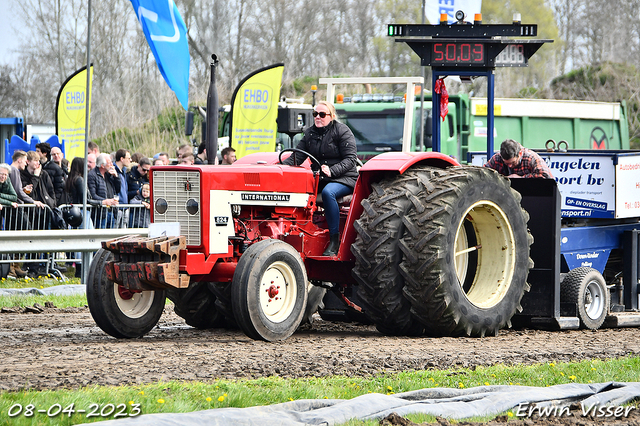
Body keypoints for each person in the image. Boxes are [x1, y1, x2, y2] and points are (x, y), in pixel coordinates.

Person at [283, 100, 358, 256]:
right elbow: (297, 156)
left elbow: (351, 159)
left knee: (328, 193)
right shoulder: (310, 133)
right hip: (321, 178)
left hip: (344, 178)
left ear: (331, 116)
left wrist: (332, 170)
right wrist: (279, 167)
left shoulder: (342, 131)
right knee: (298, 190)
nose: (318, 117)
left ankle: (334, 241)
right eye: (315, 114)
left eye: (322, 114)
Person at [484, 139, 554, 179]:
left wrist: (521, 178)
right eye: (506, 163)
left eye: (513, 162)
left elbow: (546, 176)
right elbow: (483, 173)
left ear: (520, 154)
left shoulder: (531, 158)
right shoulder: (496, 158)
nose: (510, 166)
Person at [87, 153, 120, 228]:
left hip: (111, 211)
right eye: (109, 162)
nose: (112, 164)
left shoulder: (108, 175)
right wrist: (105, 201)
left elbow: (117, 189)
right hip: (100, 213)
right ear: (102, 165)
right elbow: (93, 195)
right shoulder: (92, 175)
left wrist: (116, 177)